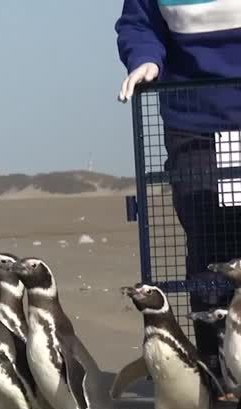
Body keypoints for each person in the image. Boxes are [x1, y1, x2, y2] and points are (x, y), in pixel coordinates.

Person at [115, 0, 241, 372]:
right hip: (194, 122)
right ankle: (218, 364)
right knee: (210, 242)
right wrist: (144, 59)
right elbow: (139, 26)